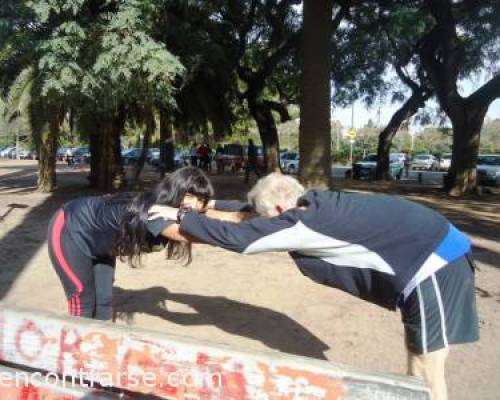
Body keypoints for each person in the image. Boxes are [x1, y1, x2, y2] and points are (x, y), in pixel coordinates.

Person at [149, 172, 479, 400]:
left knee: (426, 369)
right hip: (437, 252)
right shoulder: (310, 202)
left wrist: (177, 218)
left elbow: (238, 239)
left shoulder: (303, 223)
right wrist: (207, 208)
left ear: (280, 210)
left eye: (271, 218)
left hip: (435, 266)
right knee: (421, 362)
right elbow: (247, 214)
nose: (270, 223)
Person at [47, 167, 214, 321]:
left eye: (201, 200)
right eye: (190, 197)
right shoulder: (156, 213)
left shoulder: (176, 211)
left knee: (104, 303)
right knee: (83, 301)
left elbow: (208, 216)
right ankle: (77, 349)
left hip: (103, 243)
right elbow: (196, 234)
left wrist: (217, 206)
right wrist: (233, 238)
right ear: (175, 192)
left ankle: (98, 347)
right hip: (70, 228)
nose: (195, 205)